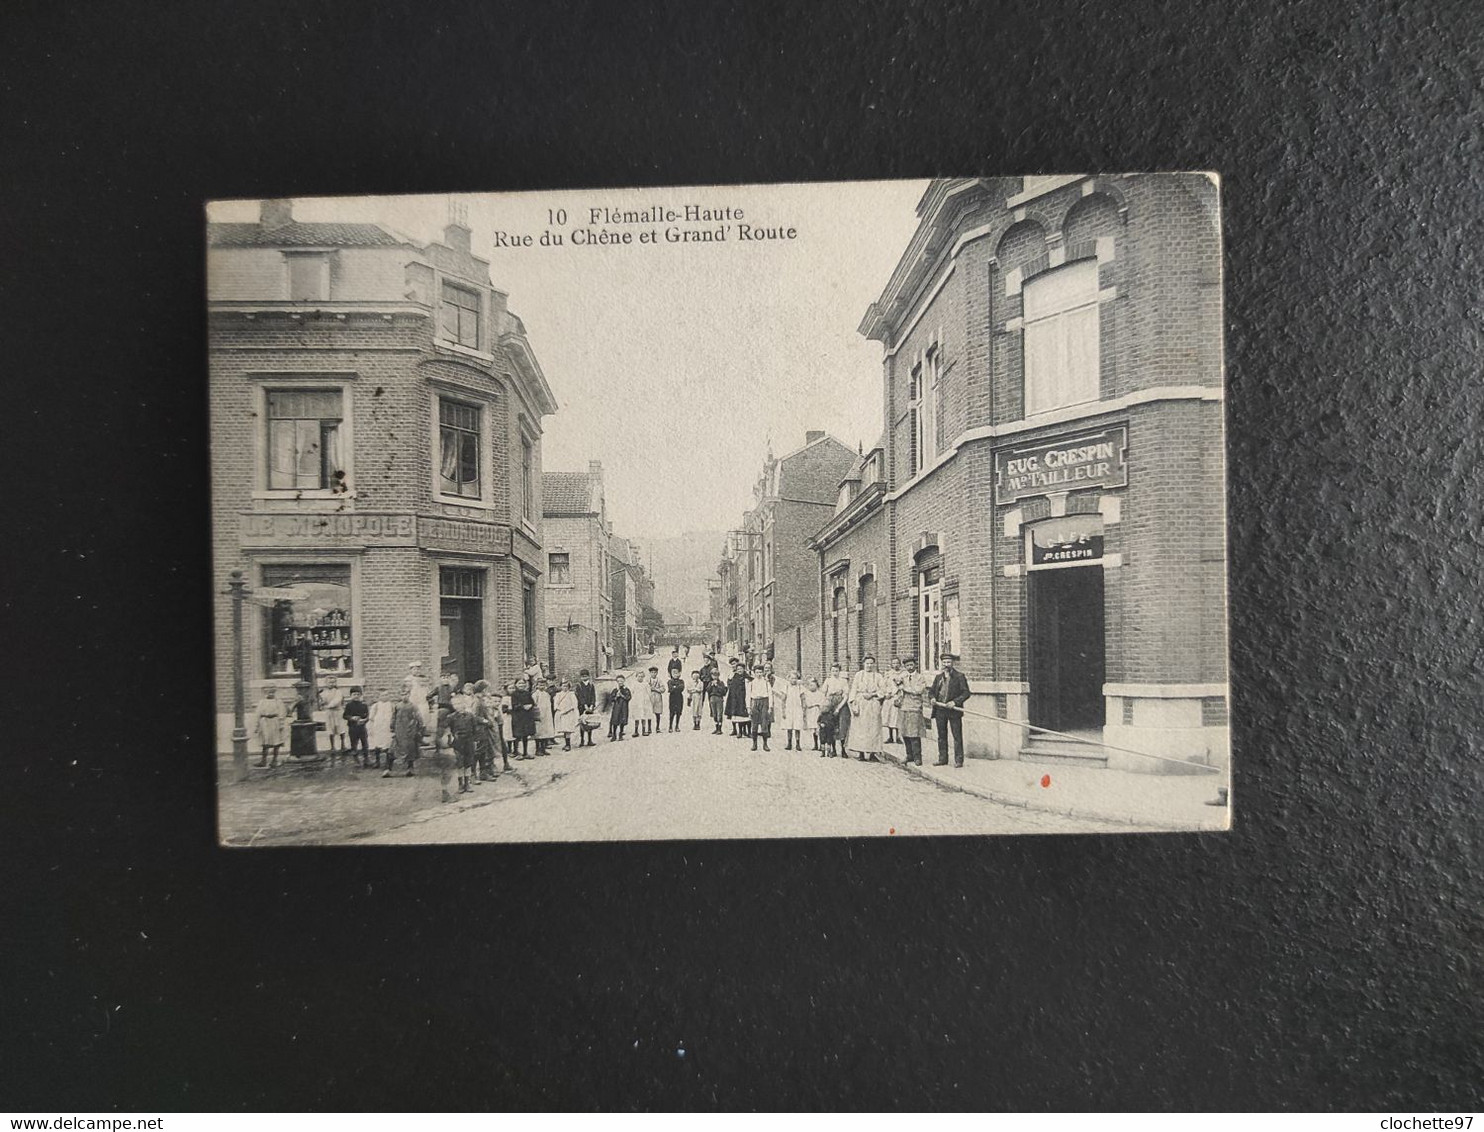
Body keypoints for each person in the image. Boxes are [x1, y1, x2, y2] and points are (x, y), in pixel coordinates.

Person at [930, 652, 972, 767]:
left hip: (954, 711)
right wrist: (933, 698)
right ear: (941, 663)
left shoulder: (959, 676)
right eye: (944, 662)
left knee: (957, 736)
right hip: (940, 710)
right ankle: (942, 758)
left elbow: (966, 693)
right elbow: (931, 691)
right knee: (941, 735)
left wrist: (955, 702)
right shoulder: (938, 677)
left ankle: (959, 760)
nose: (946, 665)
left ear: (952, 663)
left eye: (948, 662)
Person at [847, 655, 892, 762]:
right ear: (863, 664)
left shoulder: (878, 676)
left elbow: (883, 690)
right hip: (861, 703)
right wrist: (853, 703)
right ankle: (861, 752)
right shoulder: (859, 675)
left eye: (871, 663)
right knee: (860, 728)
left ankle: (872, 752)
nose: (869, 665)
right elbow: (853, 689)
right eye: (867, 663)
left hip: (873, 704)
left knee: (873, 728)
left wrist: (873, 694)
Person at [895, 657, 929, 766]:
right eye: (907, 665)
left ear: (915, 665)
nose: (910, 667)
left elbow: (917, 691)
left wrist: (903, 687)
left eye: (911, 665)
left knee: (914, 733)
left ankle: (917, 757)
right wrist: (896, 684)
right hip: (904, 707)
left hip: (915, 707)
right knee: (905, 732)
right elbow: (895, 687)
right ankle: (909, 755)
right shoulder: (903, 676)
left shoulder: (920, 678)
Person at [472, 679, 507, 779]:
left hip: (489, 729)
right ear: (482, 689)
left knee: (489, 750)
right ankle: (476, 773)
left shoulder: (484, 699)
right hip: (482, 729)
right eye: (486, 688)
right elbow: (474, 716)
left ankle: (487, 770)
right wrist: (485, 721)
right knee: (481, 751)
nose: (488, 691)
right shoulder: (477, 701)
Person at [449, 685, 480, 793]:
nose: (458, 706)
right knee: (460, 763)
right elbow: (451, 730)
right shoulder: (451, 717)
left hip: (469, 741)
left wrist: (475, 740)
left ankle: (467, 783)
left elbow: (475, 729)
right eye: (455, 704)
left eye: (460, 703)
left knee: (468, 763)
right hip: (458, 742)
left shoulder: (470, 716)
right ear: (453, 706)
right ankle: (460, 784)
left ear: (464, 704)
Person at [388, 689, 424, 777]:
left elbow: (419, 717)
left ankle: (410, 769)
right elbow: (394, 717)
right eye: (402, 695)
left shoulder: (413, 706)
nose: (404, 696)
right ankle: (388, 769)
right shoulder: (397, 706)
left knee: (410, 749)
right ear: (400, 696)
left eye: (406, 694)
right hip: (399, 731)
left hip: (410, 731)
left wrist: (420, 728)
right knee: (393, 749)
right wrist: (392, 727)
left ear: (409, 695)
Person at [252, 686, 289, 768]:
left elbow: (282, 712)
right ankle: (263, 760)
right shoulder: (262, 702)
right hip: (264, 722)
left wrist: (281, 723)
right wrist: (256, 726)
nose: (270, 694)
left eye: (272, 692)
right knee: (265, 742)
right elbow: (258, 714)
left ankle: (274, 760)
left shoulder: (278, 702)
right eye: (268, 692)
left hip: (275, 722)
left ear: (274, 692)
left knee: (276, 741)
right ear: (265, 693)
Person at [507, 677, 536, 759]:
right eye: (519, 683)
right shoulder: (514, 694)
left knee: (525, 735)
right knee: (518, 735)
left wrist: (530, 706)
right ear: (516, 685)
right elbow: (514, 705)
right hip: (518, 717)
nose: (521, 685)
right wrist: (523, 707)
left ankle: (525, 752)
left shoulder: (528, 693)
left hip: (527, 717)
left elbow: (532, 702)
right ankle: (516, 752)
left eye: (523, 683)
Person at [746, 664, 773, 751]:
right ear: (754, 673)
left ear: (763, 673)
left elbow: (770, 695)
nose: (759, 674)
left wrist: (770, 706)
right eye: (757, 672)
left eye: (760, 672)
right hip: (755, 702)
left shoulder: (766, 683)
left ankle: (765, 744)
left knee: (764, 723)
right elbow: (748, 695)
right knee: (754, 724)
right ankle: (754, 744)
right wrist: (748, 707)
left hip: (764, 702)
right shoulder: (751, 683)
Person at [320, 676, 347, 761]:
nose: (332, 684)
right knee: (330, 728)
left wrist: (328, 705)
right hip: (329, 713)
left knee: (341, 728)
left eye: (333, 682)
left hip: (338, 711)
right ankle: (332, 746)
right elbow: (322, 702)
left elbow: (337, 701)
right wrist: (321, 701)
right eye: (329, 682)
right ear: (326, 683)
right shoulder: (323, 693)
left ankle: (343, 745)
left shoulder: (338, 692)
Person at [777, 671, 806, 750]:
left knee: (797, 726)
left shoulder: (800, 687)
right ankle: (789, 743)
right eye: (792, 678)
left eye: (795, 678)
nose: (794, 680)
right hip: (789, 708)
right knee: (789, 726)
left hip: (797, 708)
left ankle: (797, 743)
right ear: (788, 678)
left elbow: (803, 699)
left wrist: (803, 709)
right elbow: (783, 699)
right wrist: (783, 711)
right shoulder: (786, 687)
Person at [366, 690, 395, 769]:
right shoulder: (376, 706)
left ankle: (387, 762)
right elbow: (371, 717)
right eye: (382, 695)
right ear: (378, 697)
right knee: (377, 744)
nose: (385, 697)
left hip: (387, 727)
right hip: (378, 727)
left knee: (388, 744)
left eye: (386, 695)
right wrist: (371, 727)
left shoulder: (392, 705)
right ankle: (377, 761)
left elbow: (394, 716)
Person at [343, 686, 370, 767]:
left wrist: (364, 720)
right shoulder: (349, 705)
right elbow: (344, 716)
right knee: (354, 744)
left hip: (362, 727)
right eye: (354, 694)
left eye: (358, 694)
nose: (356, 696)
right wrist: (351, 718)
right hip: (353, 728)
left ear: (361, 695)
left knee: (364, 743)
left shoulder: (364, 705)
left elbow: (367, 716)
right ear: (351, 695)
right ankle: (356, 760)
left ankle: (366, 759)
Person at [404, 662, 434, 731]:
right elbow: (406, 690)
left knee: (424, 713)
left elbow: (427, 689)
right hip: (413, 699)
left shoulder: (423, 679)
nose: (416, 671)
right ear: (411, 670)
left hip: (422, 699)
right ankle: (414, 728)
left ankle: (423, 728)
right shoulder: (409, 679)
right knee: (414, 713)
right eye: (414, 669)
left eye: (418, 669)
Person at [724, 658, 750, 737]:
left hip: (743, 696)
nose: (733, 666)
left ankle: (745, 731)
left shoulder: (745, 675)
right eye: (732, 664)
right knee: (733, 712)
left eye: (735, 664)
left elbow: (750, 681)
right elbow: (729, 683)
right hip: (733, 696)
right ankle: (735, 729)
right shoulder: (732, 674)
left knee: (744, 713)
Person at [574, 669, 599, 747]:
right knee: (582, 722)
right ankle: (582, 740)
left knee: (590, 722)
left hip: (590, 707)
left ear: (588, 676)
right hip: (582, 707)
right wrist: (584, 705)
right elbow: (580, 696)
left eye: (586, 676)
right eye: (582, 676)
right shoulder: (579, 686)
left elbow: (593, 696)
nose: (584, 678)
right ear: (580, 677)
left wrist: (592, 705)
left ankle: (589, 740)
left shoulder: (591, 685)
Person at [883, 659, 904, 745]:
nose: (895, 665)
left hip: (898, 697)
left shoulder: (903, 674)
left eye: (897, 663)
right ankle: (890, 736)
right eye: (894, 663)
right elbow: (884, 684)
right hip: (889, 698)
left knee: (897, 717)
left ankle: (898, 736)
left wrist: (899, 692)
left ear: (900, 664)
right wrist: (887, 693)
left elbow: (903, 685)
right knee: (889, 717)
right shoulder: (888, 674)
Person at [534, 677, 557, 754]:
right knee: (538, 732)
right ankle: (538, 749)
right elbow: (534, 705)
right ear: (537, 685)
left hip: (547, 715)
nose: (542, 687)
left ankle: (543, 748)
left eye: (543, 685)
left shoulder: (547, 694)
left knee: (545, 732)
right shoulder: (535, 694)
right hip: (539, 715)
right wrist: (536, 715)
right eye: (540, 685)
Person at [554, 680, 579, 750]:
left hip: (569, 713)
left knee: (568, 729)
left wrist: (567, 710)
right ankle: (566, 744)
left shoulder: (571, 694)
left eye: (566, 686)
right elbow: (555, 704)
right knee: (564, 729)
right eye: (563, 686)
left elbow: (574, 704)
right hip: (561, 713)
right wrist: (559, 710)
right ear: (561, 686)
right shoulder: (558, 694)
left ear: (569, 687)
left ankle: (568, 745)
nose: (565, 688)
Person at [803, 677, 824, 751]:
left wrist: (817, 705)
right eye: (810, 685)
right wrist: (815, 703)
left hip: (818, 712)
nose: (812, 687)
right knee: (813, 728)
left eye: (813, 685)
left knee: (819, 728)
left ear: (817, 685)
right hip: (811, 712)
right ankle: (815, 744)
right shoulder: (807, 694)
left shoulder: (820, 694)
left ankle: (822, 745)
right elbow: (808, 703)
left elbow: (821, 703)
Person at [608, 675, 631, 741]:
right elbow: (611, 699)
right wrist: (616, 697)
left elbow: (629, 697)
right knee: (615, 720)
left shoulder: (626, 689)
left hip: (624, 707)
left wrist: (622, 696)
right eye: (618, 681)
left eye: (621, 681)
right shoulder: (615, 690)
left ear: (624, 681)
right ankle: (614, 735)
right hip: (617, 707)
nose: (620, 682)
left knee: (622, 721)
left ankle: (620, 734)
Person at [707, 668, 728, 734]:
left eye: (716, 675)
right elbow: (708, 690)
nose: (715, 677)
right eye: (713, 675)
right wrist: (711, 686)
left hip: (719, 698)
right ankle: (716, 727)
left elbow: (724, 692)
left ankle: (720, 728)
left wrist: (717, 686)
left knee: (719, 713)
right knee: (714, 713)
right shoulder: (710, 683)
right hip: (712, 698)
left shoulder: (721, 683)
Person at [645, 667, 664, 735]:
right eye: (652, 672)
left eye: (655, 672)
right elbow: (645, 688)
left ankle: (657, 727)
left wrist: (655, 689)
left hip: (658, 697)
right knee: (649, 712)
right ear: (650, 673)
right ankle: (649, 728)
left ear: (657, 673)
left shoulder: (659, 680)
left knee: (657, 713)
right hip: (650, 697)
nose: (653, 674)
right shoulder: (647, 680)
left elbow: (663, 689)